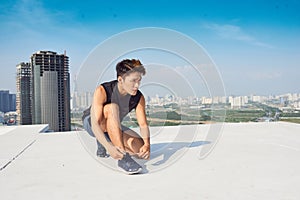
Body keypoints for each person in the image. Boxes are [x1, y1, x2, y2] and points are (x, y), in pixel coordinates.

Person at [82, 59, 150, 174]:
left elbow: (143, 124)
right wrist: (109, 147)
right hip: (92, 123)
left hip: (113, 125)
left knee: (139, 151)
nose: (137, 85)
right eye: (133, 81)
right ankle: (122, 158)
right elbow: (95, 124)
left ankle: (105, 142)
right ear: (120, 79)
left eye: (139, 81)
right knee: (112, 107)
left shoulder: (138, 97)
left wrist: (147, 144)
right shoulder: (103, 90)